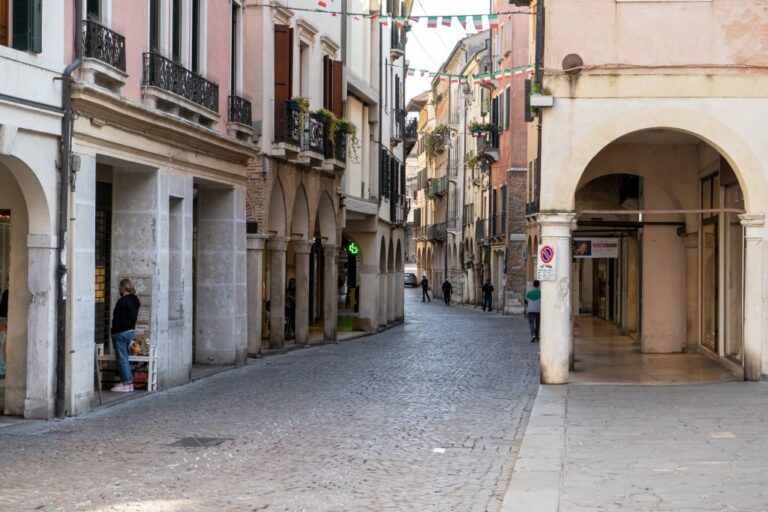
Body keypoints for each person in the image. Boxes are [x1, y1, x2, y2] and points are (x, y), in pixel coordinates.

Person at [110, 279, 141, 393]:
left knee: (122, 359)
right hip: (130, 330)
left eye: (120, 286)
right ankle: (128, 383)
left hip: (121, 332)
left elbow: (117, 318)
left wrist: (113, 331)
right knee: (125, 358)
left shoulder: (122, 301)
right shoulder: (135, 300)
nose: (119, 288)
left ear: (124, 287)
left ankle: (126, 383)